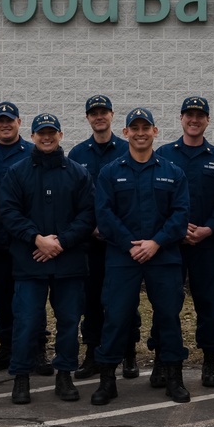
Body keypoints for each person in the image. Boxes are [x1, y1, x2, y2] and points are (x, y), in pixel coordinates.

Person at [91, 108, 191, 406]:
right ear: (126, 133)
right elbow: (104, 214)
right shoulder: (111, 171)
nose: (140, 133)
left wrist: (156, 243)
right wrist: (129, 244)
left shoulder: (172, 172)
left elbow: (181, 214)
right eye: (134, 128)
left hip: (163, 256)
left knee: (168, 317)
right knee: (117, 317)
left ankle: (174, 378)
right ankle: (107, 380)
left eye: (145, 127)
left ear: (155, 132)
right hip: (123, 257)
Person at [0, 113, 96, 404]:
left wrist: (61, 242)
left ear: (60, 135)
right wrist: (36, 238)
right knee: (27, 321)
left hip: (69, 262)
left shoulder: (78, 172)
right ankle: (21, 376)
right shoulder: (17, 172)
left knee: (68, 321)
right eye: (41, 133)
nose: (46, 137)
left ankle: (64, 374)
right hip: (31, 260)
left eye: (52, 132)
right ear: (32, 136)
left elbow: (88, 214)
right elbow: (9, 212)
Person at [154, 96, 214, 388]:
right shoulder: (163, 154)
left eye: (200, 115)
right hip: (170, 246)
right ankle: (163, 358)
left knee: (208, 303)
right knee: (166, 303)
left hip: (205, 245)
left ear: (208, 120)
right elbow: (155, 200)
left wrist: (209, 229)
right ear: (181, 118)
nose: (194, 120)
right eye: (189, 115)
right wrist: (173, 228)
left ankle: (210, 359)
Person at [67, 94, 141, 380]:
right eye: (93, 113)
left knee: (125, 299)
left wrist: (113, 229)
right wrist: (91, 226)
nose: (99, 117)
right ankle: (92, 353)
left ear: (112, 116)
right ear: (87, 118)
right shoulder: (77, 154)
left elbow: (135, 195)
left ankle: (130, 352)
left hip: (121, 241)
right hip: (89, 241)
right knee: (91, 299)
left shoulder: (127, 149)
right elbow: (73, 199)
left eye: (104, 112)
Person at [0, 102, 37, 373]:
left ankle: (35, 349)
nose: (5, 124)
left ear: (19, 123)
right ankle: (7, 346)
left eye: (9, 120)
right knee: (2, 295)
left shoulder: (33, 152)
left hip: (26, 241)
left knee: (30, 296)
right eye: (0, 120)